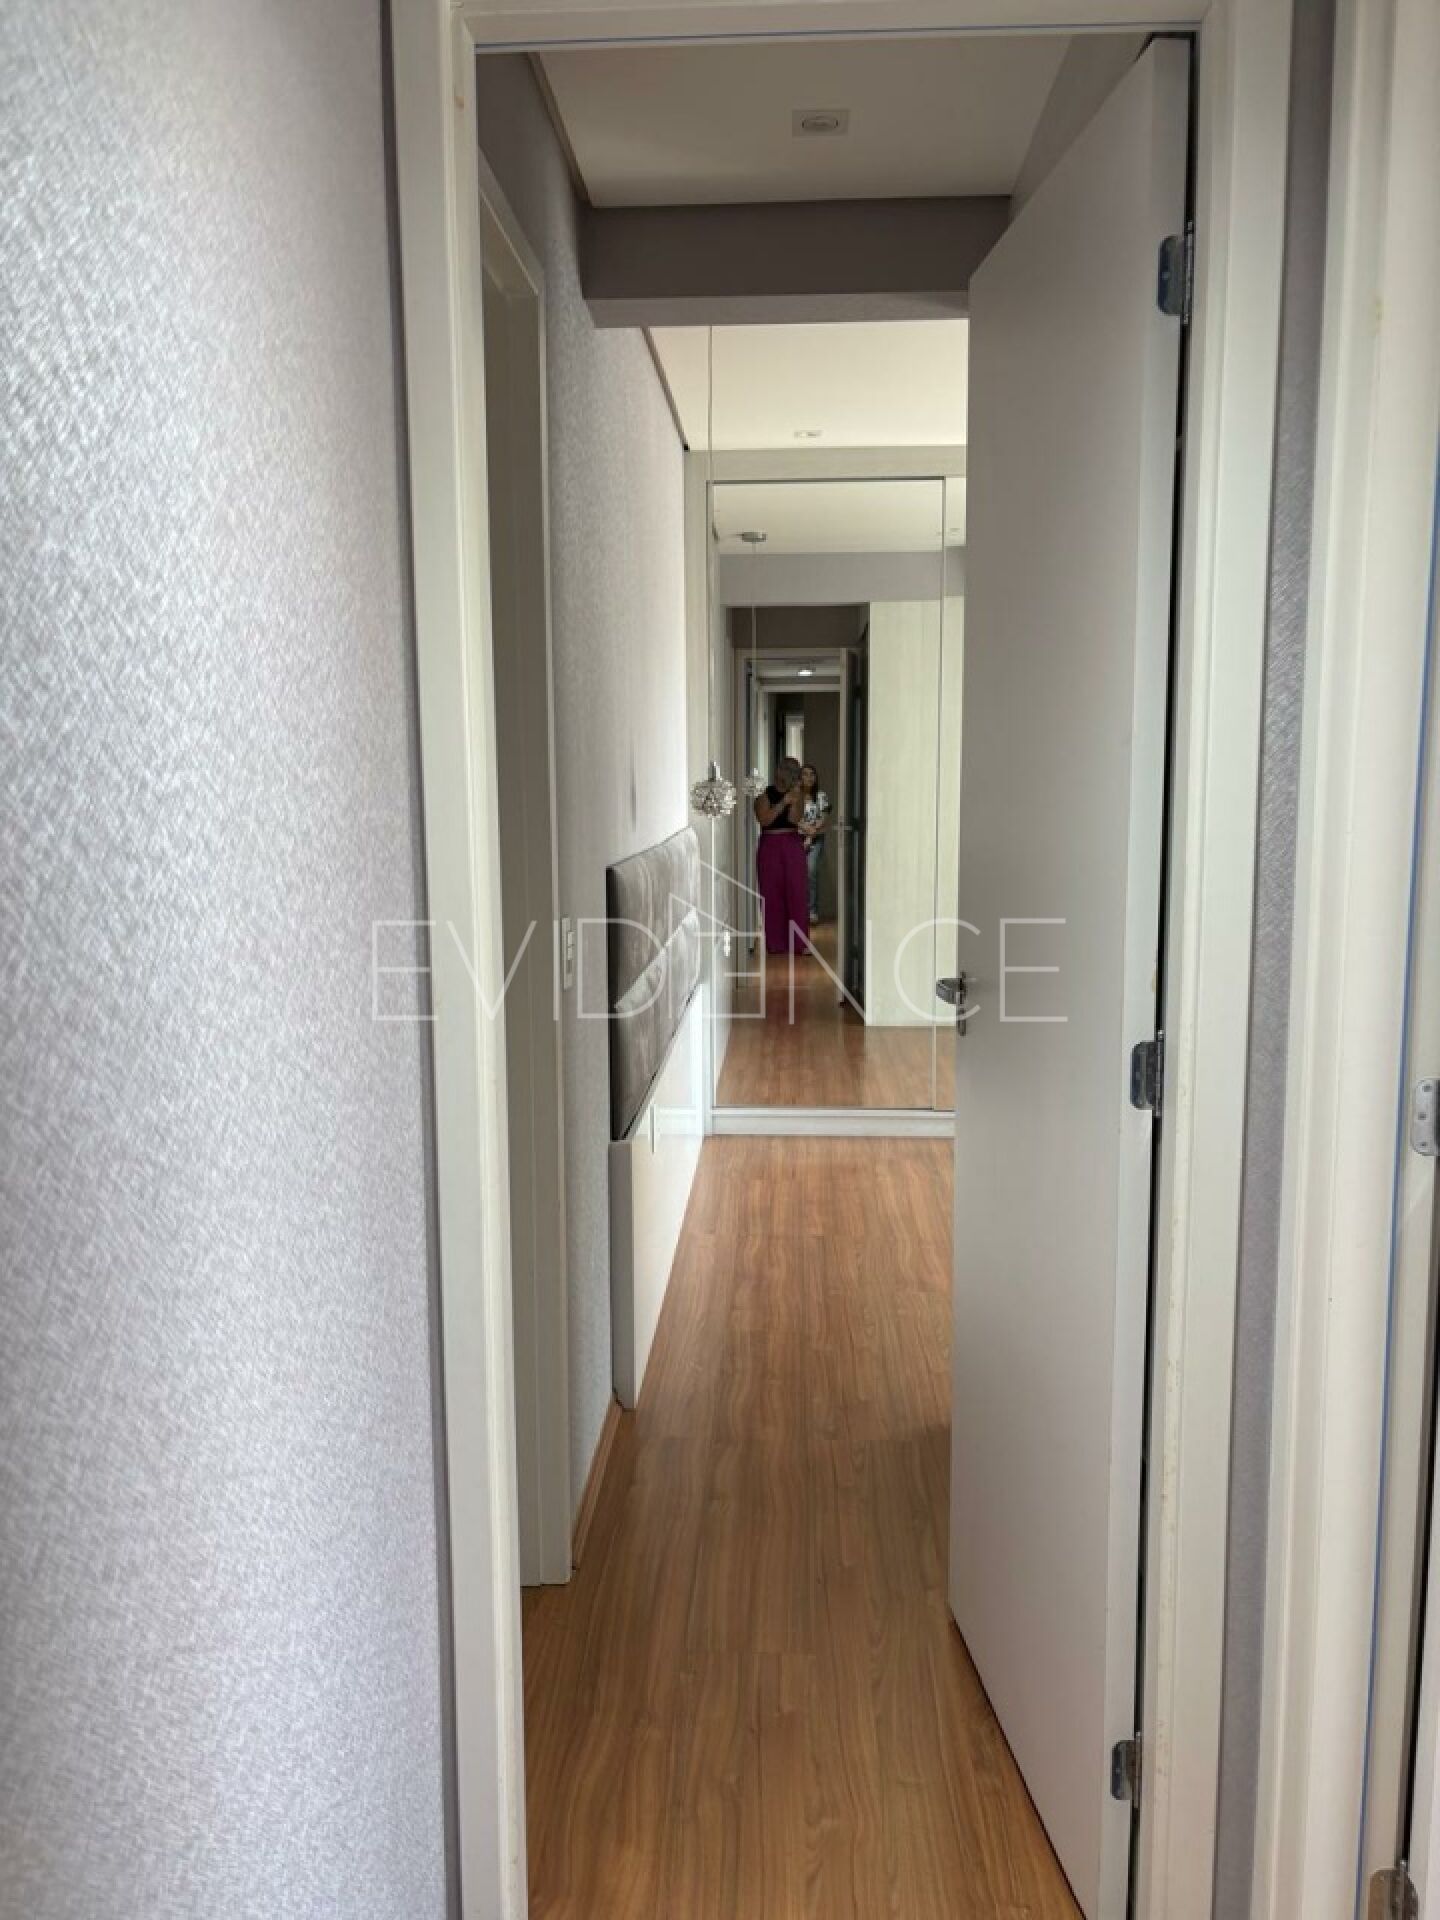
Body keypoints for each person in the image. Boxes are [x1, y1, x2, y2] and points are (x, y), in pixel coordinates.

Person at [753, 757, 810, 956]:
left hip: (792, 843)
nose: (790, 775)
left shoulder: (797, 795)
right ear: (778, 771)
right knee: (771, 892)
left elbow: (794, 819)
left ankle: (799, 943)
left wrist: (794, 800)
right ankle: (776, 943)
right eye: (787, 770)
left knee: (796, 891)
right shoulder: (764, 796)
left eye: (794, 772)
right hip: (770, 844)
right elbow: (764, 820)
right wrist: (783, 802)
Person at [798, 763, 831, 926]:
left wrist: (810, 836)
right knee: (797, 874)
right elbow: (793, 818)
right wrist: (805, 830)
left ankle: (812, 911)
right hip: (796, 838)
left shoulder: (821, 796)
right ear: (800, 777)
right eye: (805, 774)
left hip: (816, 839)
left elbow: (823, 819)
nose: (809, 778)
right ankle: (798, 910)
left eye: (812, 774)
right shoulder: (795, 796)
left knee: (810, 871)